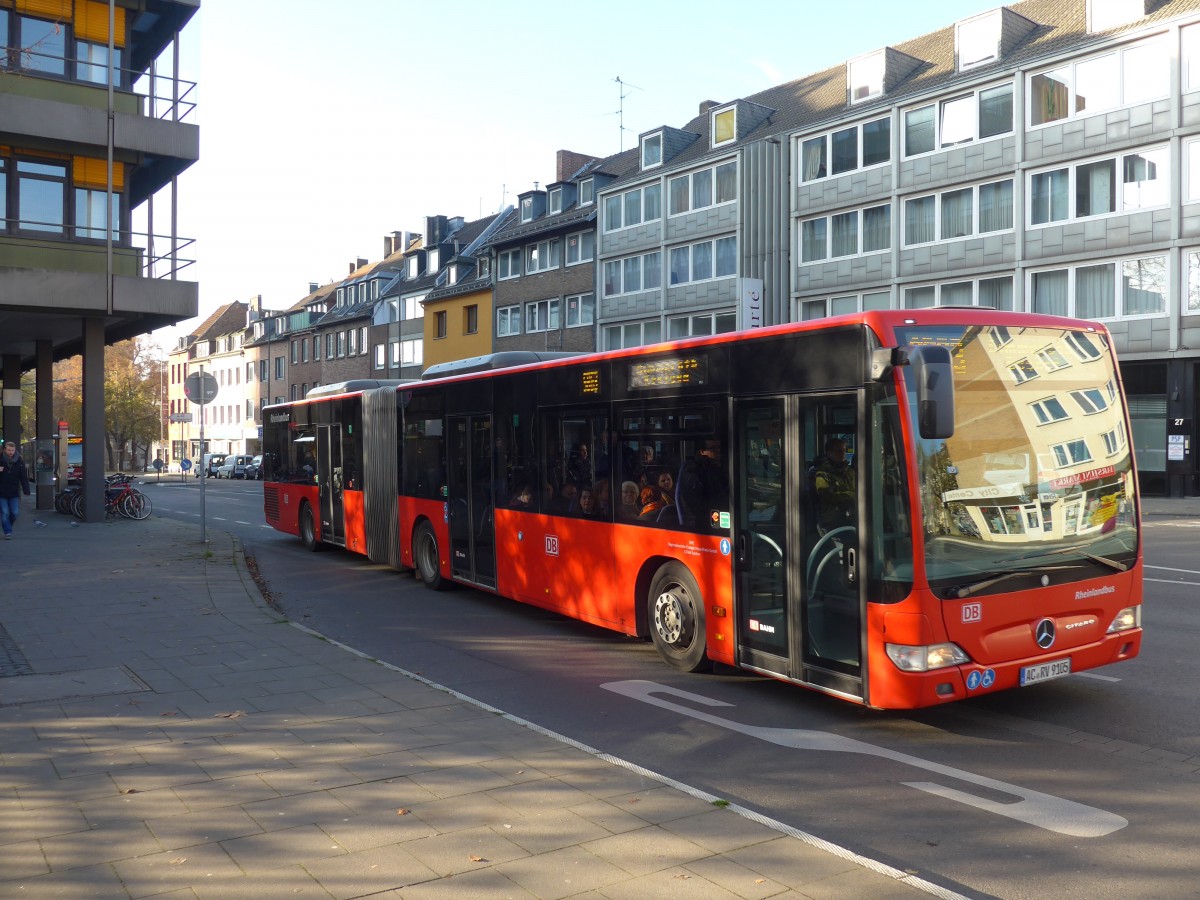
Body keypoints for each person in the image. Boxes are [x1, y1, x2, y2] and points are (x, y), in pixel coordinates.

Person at [678, 440, 729, 528]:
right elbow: (694, 504)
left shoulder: (720, 466)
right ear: (702, 451)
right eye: (713, 448)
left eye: (719, 447)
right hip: (704, 524)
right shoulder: (694, 471)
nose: (718, 451)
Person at [813, 437, 856, 534]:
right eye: (839, 451)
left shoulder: (850, 472)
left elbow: (858, 490)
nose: (843, 454)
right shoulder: (822, 474)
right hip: (832, 519)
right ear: (829, 453)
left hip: (851, 514)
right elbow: (827, 495)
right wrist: (851, 495)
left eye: (844, 451)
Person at [0, 441, 32, 540]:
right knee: (4, 512)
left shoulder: (19, 461)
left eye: (12, 450)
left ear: (15, 450)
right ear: (4, 450)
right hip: (1, 492)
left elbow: (23, 477)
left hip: (13, 492)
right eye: (9, 450)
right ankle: (8, 532)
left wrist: (26, 490)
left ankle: (7, 525)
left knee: (14, 512)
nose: (10, 452)